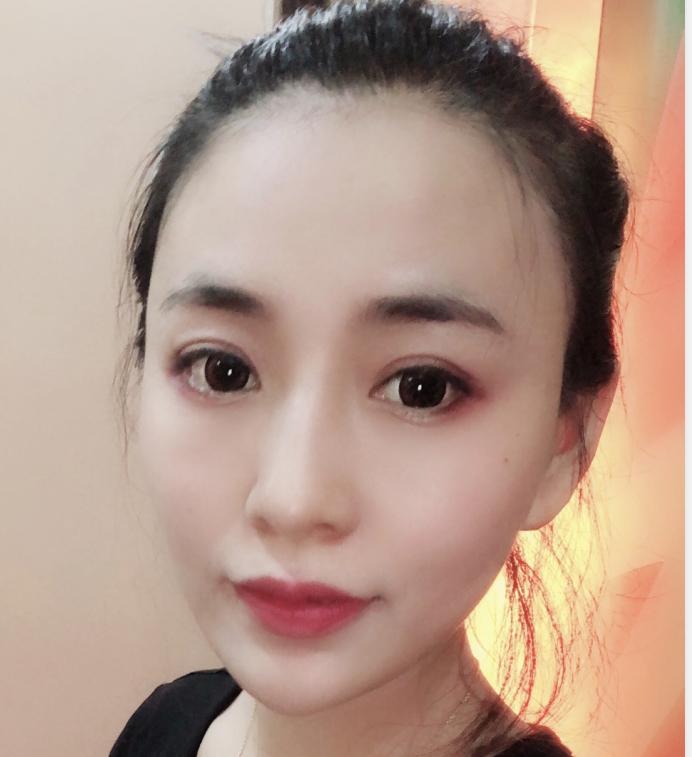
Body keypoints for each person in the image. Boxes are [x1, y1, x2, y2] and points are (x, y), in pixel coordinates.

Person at [109, 0, 630, 754]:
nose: (293, 500)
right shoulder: (165, 724)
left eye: (423, 386)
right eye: (222, 370)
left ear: (567, 440)